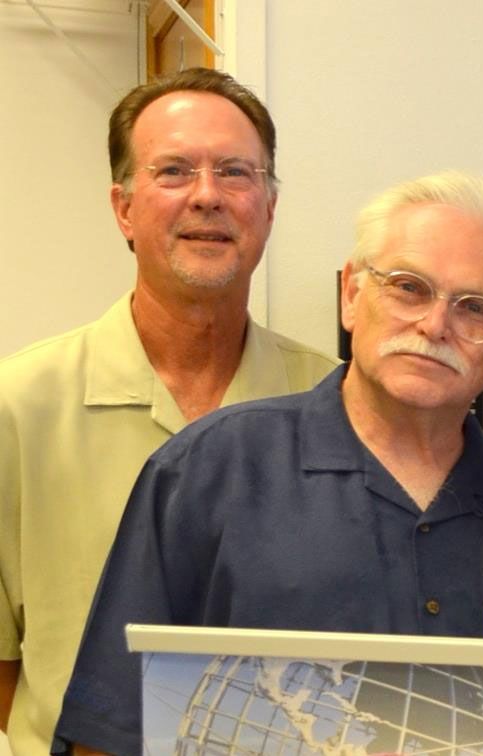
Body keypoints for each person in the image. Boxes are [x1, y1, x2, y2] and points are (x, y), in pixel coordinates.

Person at [52, 171, 483, 755]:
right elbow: (109, 732)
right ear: (352, 296)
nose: (434, 325)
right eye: (409, 288)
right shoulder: (207, 472)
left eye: (476, 308)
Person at [0, 68, 337, 756]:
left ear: (269, 207)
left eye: (236, 173)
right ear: (123, 208)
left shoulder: (334, 405)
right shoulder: (18, 405)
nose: (208, 196)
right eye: (175, 171)